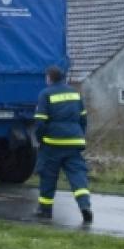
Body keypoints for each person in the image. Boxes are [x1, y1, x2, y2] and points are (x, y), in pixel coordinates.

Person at [33, 65, 92, 223]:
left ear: (49, 78)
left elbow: (40, 122)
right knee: (78, 175)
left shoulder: (45, 94)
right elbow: (83, 119)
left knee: (48, 176)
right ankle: (85, 206)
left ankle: (45, 210)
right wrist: (79, 135)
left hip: (53, 144)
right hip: (74, 142)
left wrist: (40, 139)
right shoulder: (75, 94)